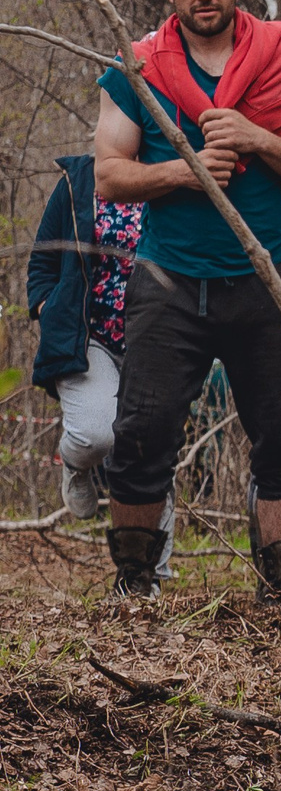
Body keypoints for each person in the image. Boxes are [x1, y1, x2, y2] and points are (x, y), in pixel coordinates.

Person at [94, 0, 281, 601]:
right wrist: (184, 170)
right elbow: (110, 176)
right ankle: (135, 583)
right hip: (168, 279)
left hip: (265, 277)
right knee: (141, 433)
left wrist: (258, 137)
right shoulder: (137, 68)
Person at [28, 154, 172, 578]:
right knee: (96, 433)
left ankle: (151, 578)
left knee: (155, 450)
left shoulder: (172, 175)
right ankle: (74, 463)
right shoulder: (80, 181)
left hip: (157, 339)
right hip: (86, 336)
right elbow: (42, 261)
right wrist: (46, 306)